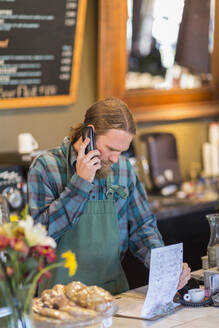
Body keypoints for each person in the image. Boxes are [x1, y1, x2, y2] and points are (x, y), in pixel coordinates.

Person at [28, 97, 191, 295]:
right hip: (59, 300)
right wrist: (80, 184)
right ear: (89, 133)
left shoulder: (124, 170)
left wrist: (167, 266)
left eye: (121, 151)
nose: (115, 158)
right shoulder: (46, 167)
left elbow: (142, 228)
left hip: (112, 296)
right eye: (111, 149)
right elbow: (39, 237)